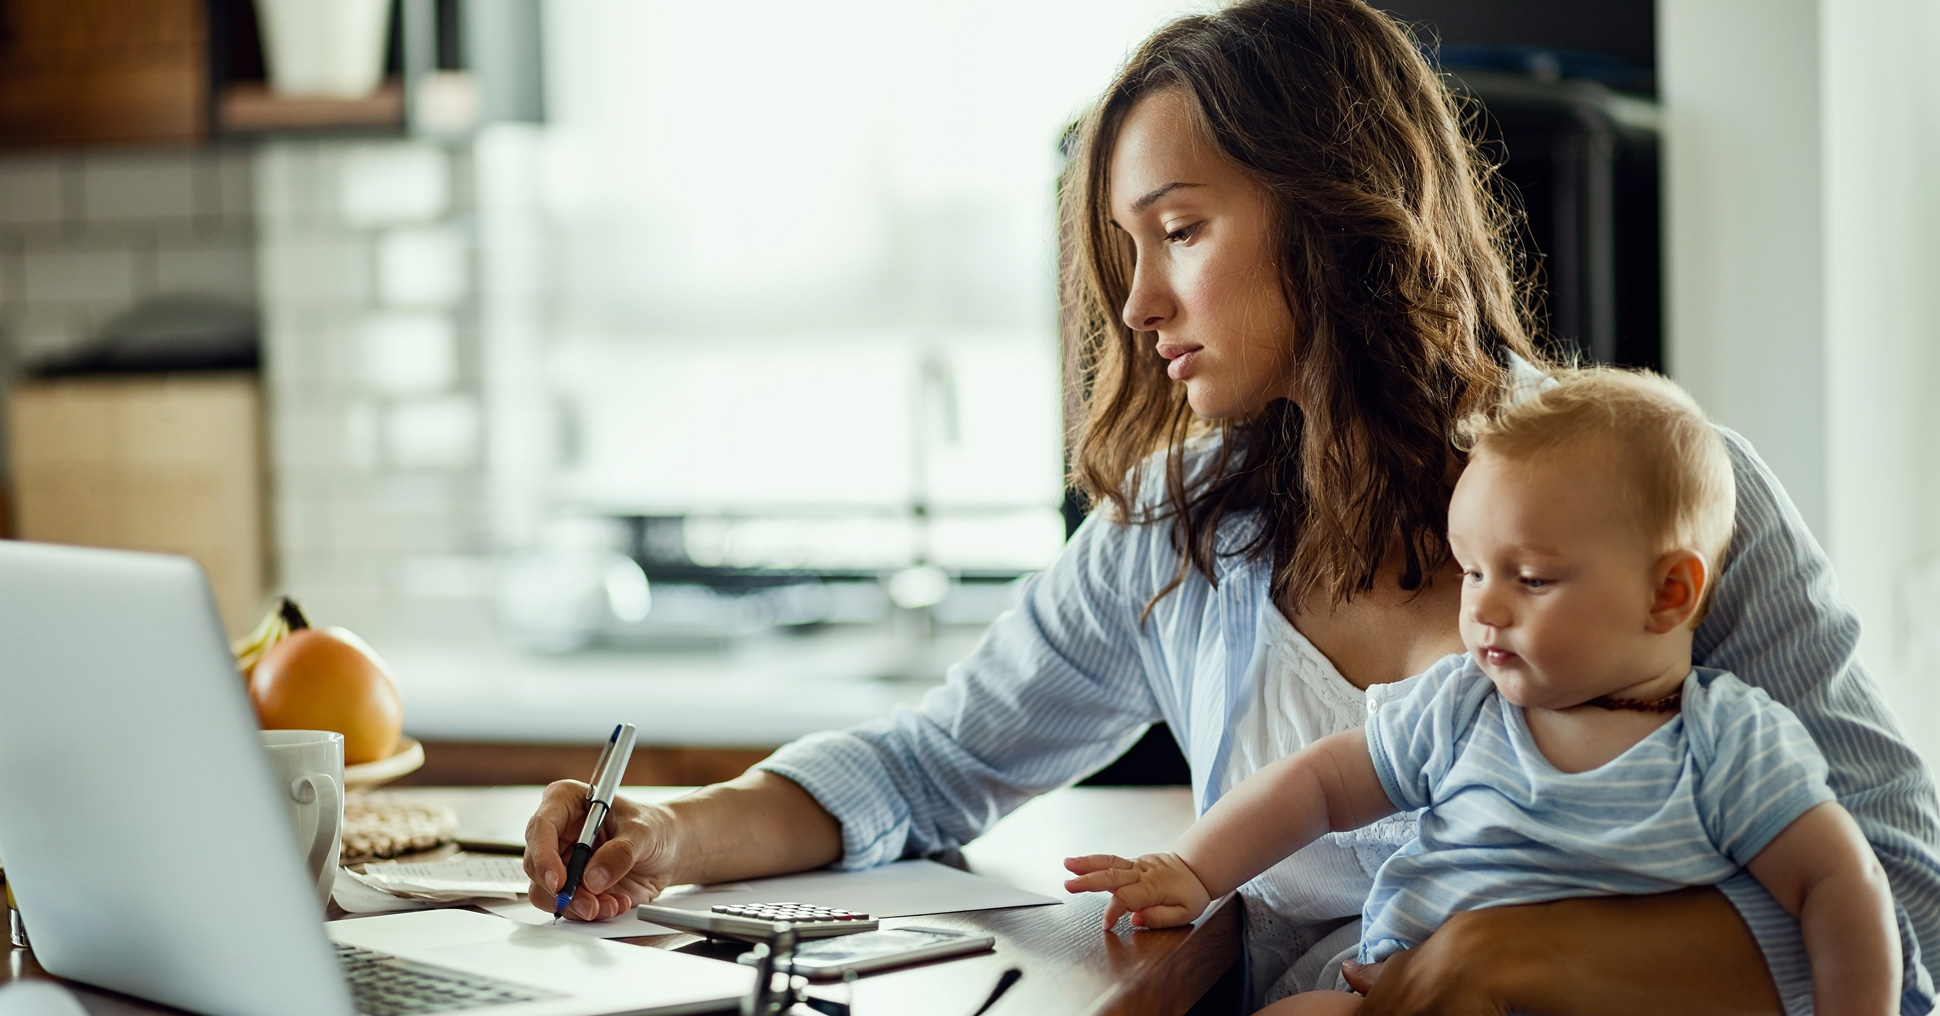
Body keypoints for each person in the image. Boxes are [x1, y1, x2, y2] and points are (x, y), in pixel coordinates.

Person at [524, 2, 1940, 1011]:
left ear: (1338, 209)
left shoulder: (1676, 501)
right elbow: (923, 770)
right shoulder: (1175, 530)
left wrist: (1517, 966)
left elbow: (1904, 905)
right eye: (1125, 252)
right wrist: (669, 830)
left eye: (1182, 233)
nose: (1137, 306)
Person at [1064, 368, 1900, 1015]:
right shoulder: (1464, 707)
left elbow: (1844, 886)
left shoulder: (1726, 744)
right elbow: (1320, 785)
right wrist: (1193, 868)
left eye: (1530, 579)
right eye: (1471, 571)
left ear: (1669, 595)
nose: (1483, 607)